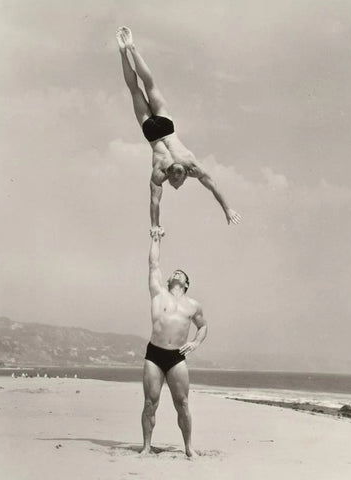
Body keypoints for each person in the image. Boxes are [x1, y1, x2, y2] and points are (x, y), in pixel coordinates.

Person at [116, 26, 242, 233]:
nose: (176, 175)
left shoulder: (160, 173)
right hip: (159, 130)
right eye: (179, 176)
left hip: (156, 131)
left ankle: (126, 50)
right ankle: (129, 48)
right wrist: (227, 209)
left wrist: (155, 226)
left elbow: (155, 203)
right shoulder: (191, 165)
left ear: (171, 176)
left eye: (174, 176)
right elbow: (213, 187)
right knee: (145, 86)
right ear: (186, 175)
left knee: (142, 87)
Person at [140, 226, 208, 458]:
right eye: (175, 272)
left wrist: (196, 343)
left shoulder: (193, 305)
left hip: (177, 357)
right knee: (150, 402)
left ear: (186, 284)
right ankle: (147, 446)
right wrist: (155, 239)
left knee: (183, 403)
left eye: (182, 273)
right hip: (155, 355)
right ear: (169, 280)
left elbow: (204, 326)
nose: (177, 273)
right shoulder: (158, 293)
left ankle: (189, 447)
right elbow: (154, 264)